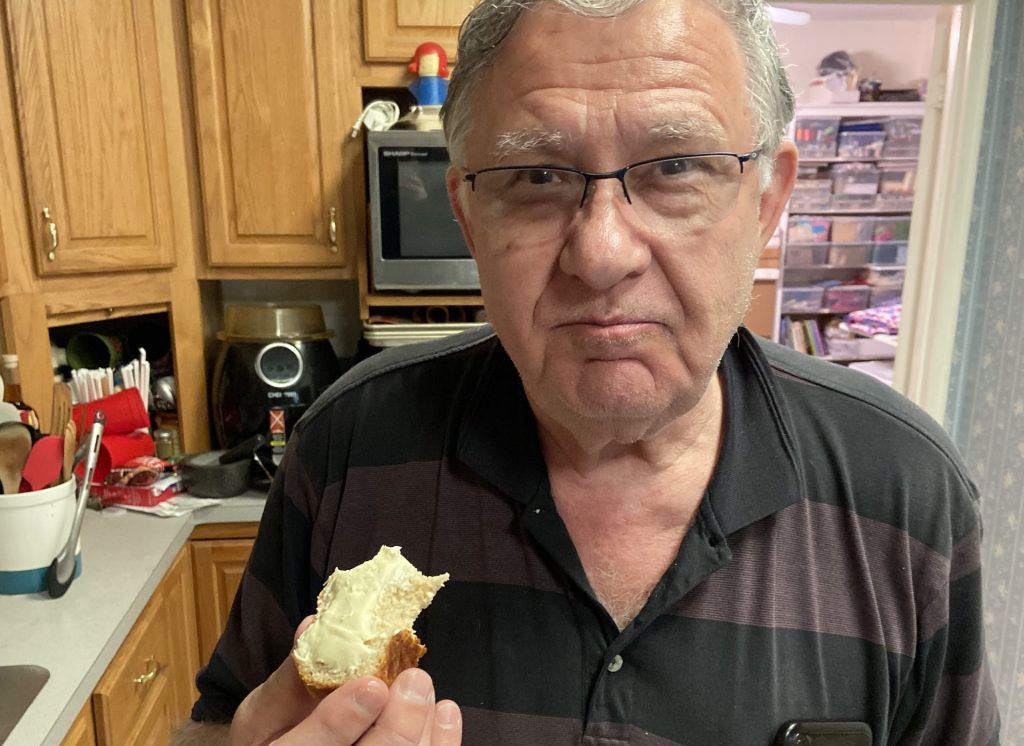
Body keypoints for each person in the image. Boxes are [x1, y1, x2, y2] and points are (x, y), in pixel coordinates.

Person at [176, 0, 1000, 744]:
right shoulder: (349, 451)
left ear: (768, 200)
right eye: (536, 177)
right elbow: (219, 720)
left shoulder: (903, 494)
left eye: (675, 166)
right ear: (467, 214)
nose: (602, 254)